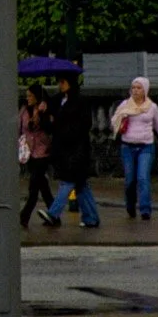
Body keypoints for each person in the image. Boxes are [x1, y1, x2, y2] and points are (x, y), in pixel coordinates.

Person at [109, 77, 158, 221]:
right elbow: (114, 120)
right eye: (133, 87)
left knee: (143, 177)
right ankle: (130, 205)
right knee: (130, 180)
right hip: (127, 146)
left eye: (139, 88)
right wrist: (120, 118)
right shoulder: (125, 105)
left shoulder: (152, 107)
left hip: (145, 146)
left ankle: (145, 209)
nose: (136, 91)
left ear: (145, 90)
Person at [44, 75, 101, 228]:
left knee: (68, 181)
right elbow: (50, 121)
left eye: (63, 82)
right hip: (63, 149)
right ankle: (91, 217)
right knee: (81, 185)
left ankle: (53, 213)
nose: (60, 85)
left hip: (77, 149)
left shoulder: (80, 102)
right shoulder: (58, 100)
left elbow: (83, 125)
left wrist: (63, 129)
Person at [17, 86, 55, 228]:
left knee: (34, 186)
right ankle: (54, 212)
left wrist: (41, 113)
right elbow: (20, 128)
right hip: (29, 152)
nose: (28, 98)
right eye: (27, 96)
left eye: (31, 96)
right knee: (43, 186)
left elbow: (49, 128)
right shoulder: (24, 110)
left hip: (42, 151)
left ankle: (24, 216)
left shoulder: (45, 109)